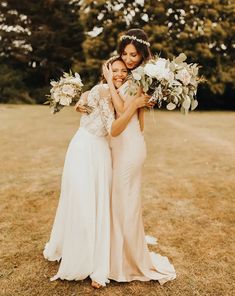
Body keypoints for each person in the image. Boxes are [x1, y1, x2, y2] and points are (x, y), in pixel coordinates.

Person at [43, 56, 150, 289]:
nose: (120, 74)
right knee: (87, 203)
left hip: (87, 147)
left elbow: (87, 104)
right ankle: (87, 260)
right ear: (106, 71)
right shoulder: (104, 91)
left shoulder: (106, 91)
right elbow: (112, 129)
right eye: (115, 70)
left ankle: (85, 252)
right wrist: (134, 105)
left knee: (91, 203)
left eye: (124, 71)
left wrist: (135, 103)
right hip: (90, 150)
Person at [103, 28, 177, 284]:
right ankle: (118, 255)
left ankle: (128, 262)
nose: (129, 58)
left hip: (130, 146)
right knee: (121, 201)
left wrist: (113, 85)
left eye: (133, 54)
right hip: (125, 144)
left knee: (125, 203)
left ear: (142, 53)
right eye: (125, 53)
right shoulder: (133, 77)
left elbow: (123, 109)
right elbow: (132, 113)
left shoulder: (139, 79)